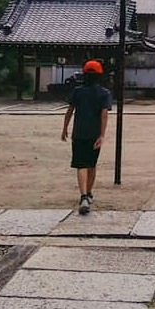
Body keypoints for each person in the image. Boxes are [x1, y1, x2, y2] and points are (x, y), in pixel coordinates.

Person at [61, 59, 111, 215]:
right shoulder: (104, 93)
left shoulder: (78, 91)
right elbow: (104, 115)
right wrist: (102, 135)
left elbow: (70, 110)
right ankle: (89, 193)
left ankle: (83, 195)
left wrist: (65, 128)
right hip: (94, 133)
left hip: (79, 132)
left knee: (80, 164)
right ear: (99, 76)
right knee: (91, 164)